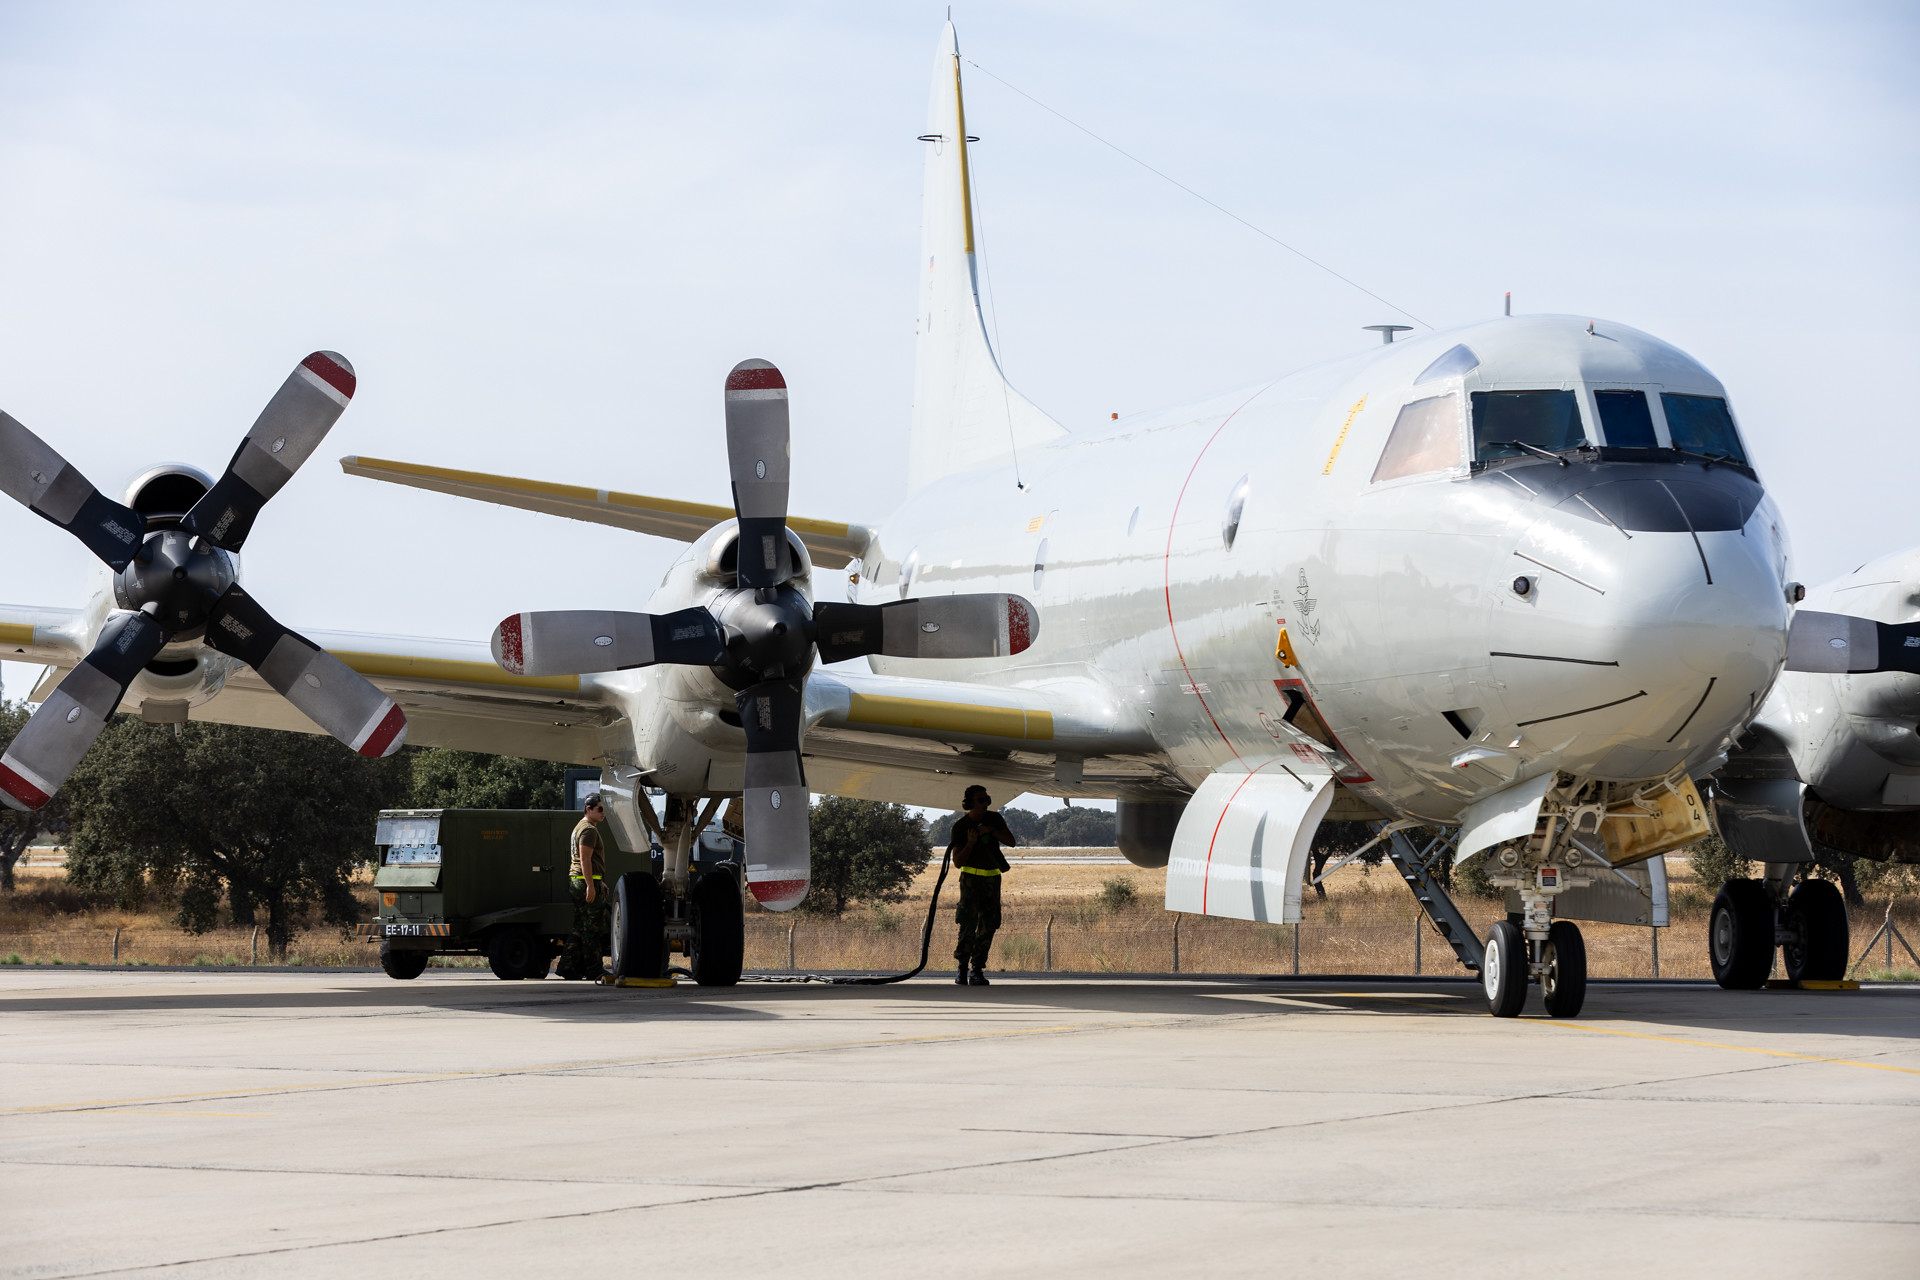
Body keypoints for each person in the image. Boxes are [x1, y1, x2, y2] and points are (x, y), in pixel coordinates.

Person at [948, 784, 1017, 986]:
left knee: (989, 924)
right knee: (968, 924)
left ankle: (977, 969)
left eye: (987, 800)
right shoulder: (960, 827)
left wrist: (991, 831)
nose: (985, 804)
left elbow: (1011, 841)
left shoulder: (994, 819)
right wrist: (970, 843)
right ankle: (962, 968)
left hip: (992, 880)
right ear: (969, 803)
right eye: (980, 800)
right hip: (971, 881)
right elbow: (958, 862)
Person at [558, 794, 610, 980]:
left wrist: (598, 882)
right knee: (592, 929)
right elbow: (585, 859)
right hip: (584, 881)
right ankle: (594, 970)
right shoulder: (589, 830)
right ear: (589, 809)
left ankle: (567, 967)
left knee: (579, 927)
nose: (603, 813)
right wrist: (591, 885)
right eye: (600, 809)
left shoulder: (580, 827)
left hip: (579, 880)